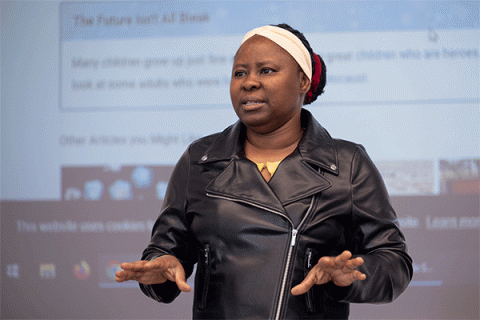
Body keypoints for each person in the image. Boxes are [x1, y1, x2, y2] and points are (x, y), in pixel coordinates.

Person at [115, 24, 413, 319]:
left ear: (303, 81)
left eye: (266, 70)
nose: (249, 82)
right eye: (239, 73)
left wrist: (351, 275)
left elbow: (395, 263)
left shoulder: (347, 164)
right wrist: (160, 268)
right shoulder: (200, 159)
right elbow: (165, 252)